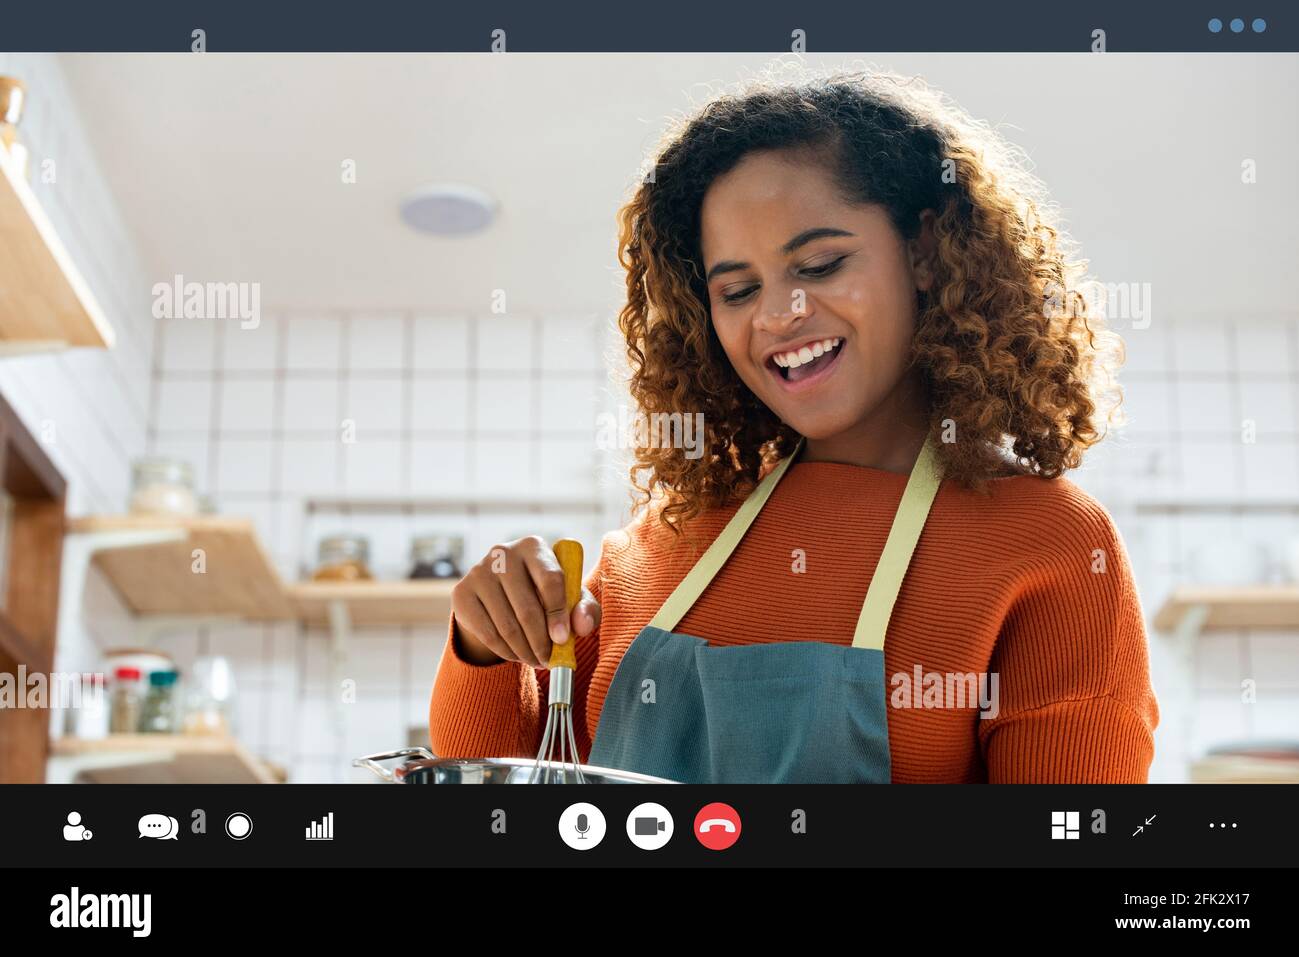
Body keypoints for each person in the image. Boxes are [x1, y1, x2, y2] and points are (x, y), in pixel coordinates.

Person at [429, 66, 1158, 783]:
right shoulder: (664, 539)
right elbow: (519, 787)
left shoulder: (1050, 543)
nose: (780, 315)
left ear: (928, 252)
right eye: (739, 289)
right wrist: (486, 643)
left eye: (818, 263)